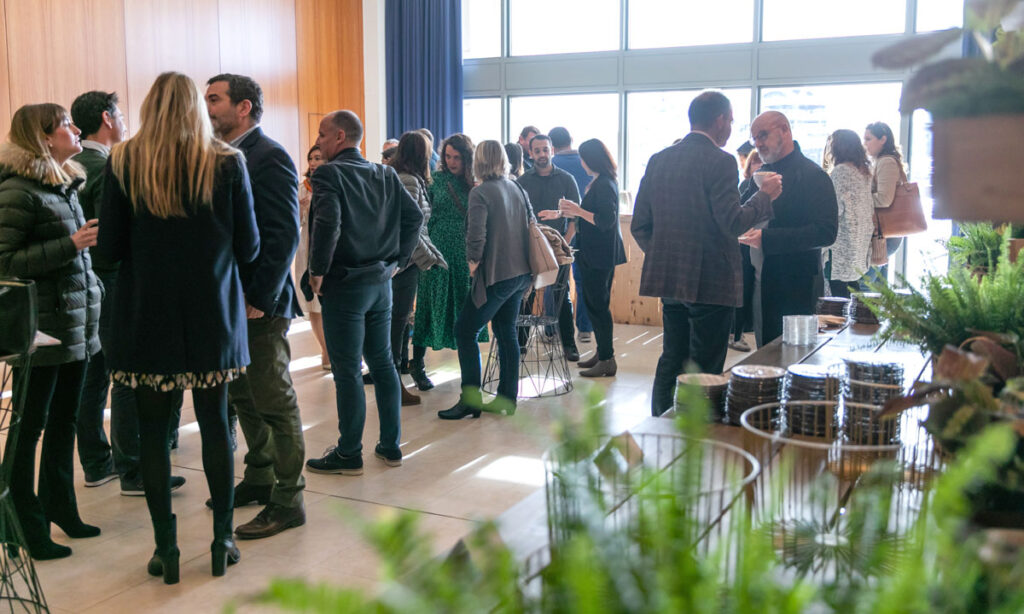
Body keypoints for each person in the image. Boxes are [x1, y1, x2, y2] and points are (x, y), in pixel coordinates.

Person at [96, 71, 260, 582]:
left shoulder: (123, 162)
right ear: (196, 107)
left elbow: (108, 252)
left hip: (146, 315)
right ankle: (222, 540)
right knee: (215, 426)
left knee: (152, 433)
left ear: (149, 107)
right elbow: (250, 246)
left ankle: (165, 548)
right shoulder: (227, 162)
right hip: (212, 315)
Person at [633, 92, 782, 415]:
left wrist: (666, 257)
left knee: (672, 357)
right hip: (712, 281)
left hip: (670, 282)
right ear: (719, 120)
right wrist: (764, 195)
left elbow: (640, 225)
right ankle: (696, 437)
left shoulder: (659, 159)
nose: (730, 128)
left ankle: (660, 424)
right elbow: (733, 222)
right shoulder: (720, 161)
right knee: (705, 367)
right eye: (731, 121)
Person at [205, 73, 306, 540]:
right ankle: (260, 475)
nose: (207, 108)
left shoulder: (269, 156)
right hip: (229, 303)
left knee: (274, 400)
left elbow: (284, 234)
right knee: (243, 396)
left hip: (259, 305)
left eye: (215, 99)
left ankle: (289, 499)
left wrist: (260, 298)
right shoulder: (219, 155)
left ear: (243, 107)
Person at [0, 103, 102, 560]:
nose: (76, 129)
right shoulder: (17, 191)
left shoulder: (64, 184)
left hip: (75, 323)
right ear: (43, 137)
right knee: (29, 429)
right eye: (65, 124)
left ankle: (59, 504)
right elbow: (4, 264)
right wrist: (70, 244)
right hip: (40, 331)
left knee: (65, 421)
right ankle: (19, 521)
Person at [305, 110, 422, 475]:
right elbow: (415, 217)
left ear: (340, 137)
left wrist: (317, 271)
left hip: (345, 285)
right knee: (383, 364)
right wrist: (399, 260)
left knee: (347, 372)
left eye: (322, 134)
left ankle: (349, 453)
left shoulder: (329, 174)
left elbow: (328, 223)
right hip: (381, 283)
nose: (318, 141)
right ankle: (390, 446)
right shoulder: (385, 173)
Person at [438, 141, 533, 419]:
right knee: (506, 332)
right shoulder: (516, 187)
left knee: (464, 331)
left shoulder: (480, 192)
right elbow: (531, 224)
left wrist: (472, 265)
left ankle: (471, 400)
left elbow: (476, 237)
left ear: (477, 162)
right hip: (520, 274)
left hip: (495, 276)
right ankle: (506, 399)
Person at [739, 111, 838, 347]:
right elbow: (739, 215)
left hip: (795, 283)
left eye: (763, 135)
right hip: (757, 281)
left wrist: (767, 239)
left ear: (785, 130)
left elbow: (826, 232)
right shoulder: (758, 177)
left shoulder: (813, 176)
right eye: (754, 138)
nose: (758, 144)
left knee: (792, 355)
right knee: (765, 353)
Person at [68, 91, 125, 487]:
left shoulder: (69, 165)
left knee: (92, 371)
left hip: (82, 280)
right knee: (109, 372)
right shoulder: (105, 168)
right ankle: (114, 460)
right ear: (107, 118)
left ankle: (95, 460)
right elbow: (110, 235)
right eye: (119, 114)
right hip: (108, 279)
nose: (123, 122)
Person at [410, 133, 479, 391]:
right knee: (427, 304)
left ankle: (468, 370)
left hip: (463, 252)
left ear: (467, 158)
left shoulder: (475, 184)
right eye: (448, 156)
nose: (451, 162)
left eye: (457, 157)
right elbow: (422, 214)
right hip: (436, 250)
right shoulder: (435, 180)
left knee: (464, 306)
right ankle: (417, 364)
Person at [554, 138, 626, 378]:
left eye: (583, 159)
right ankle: (603, 353)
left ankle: (607, 359)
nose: (582, 163)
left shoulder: (604, 184)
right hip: (596, 253)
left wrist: (577, 210)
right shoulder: (603, 181)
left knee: (598, 306)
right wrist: (568, 211)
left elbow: (604, 220)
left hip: (599, 255)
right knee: (595, 305)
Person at [391, 131, 448, 406]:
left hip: (407, 260)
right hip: (405, 263)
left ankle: (393, 380)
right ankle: (393, 385)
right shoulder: (410, 181)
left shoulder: (405, 178)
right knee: (396, 323)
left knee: (399, 322)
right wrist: (417, 259)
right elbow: (410, 227)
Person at [516, 133, 582, 361]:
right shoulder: (522, 182)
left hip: (559, 249)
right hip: (529, 249)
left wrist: (564, 243)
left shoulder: (567, 179)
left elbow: (575, 218)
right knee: (526, 296)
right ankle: (520, 344)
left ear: (552, 151)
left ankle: (569, 345)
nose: (542, 154)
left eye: (545, 149)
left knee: (561, 297)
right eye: (537, 151)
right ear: (531, 153)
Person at [550, 126, 594, 344]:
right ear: (571, 139)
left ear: (551, 145)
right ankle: (585, 329)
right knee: (583, 280)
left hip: (559, 228)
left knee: (556, 281)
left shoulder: (551, 165)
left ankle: (552, 329)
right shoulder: (586, 162)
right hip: (586, 228)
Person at [823, 129, 874, 298]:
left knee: (837, 297)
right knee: (853, 292)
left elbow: (834, 209)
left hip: (841, 243)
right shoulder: (864, 171)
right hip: (859, 241)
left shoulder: (840, 171)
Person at [295, 145, 329, 368]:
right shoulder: (303, 188)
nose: (314, 162)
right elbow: (295, 222)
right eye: (311, 158)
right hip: (307, 249)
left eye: (318, 158)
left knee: (329, 305)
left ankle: (334, 350)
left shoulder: (332, 185)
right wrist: (301, 209)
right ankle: (325, 351)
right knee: (313, 305)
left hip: (328, 250)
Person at [862, 121, 906, 287]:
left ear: (883, 139)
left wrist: (860, 199)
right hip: (885, 233)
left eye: (868, 139)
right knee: (872, 284)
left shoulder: (886, 162)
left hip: (885, 233)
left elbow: (885, 199)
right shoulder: (881, 161)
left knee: (865, 284)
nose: (865, 143)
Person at [730, 150, 763, 353]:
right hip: (743, 245)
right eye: (755, 163)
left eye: (761, 164)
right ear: (749, 167)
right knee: (743, 290)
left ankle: (740, 333)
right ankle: (736, 334)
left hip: (760, 245)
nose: (758, 167)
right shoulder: (745, 186)